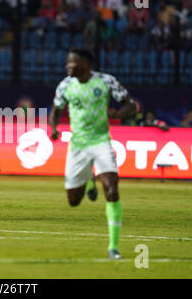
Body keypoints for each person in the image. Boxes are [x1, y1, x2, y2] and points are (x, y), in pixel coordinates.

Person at [49, 47, 137, 260]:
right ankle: (89, 178)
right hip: (78, 146)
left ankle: (113, 247)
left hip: (101, 143)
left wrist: (118, 113)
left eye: (71, 63)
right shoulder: (65, 85)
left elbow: (131, 105)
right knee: (74, 201)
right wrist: (53, 127)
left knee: (112, 190)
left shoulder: (106, 81)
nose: (67, 66)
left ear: (85, 64)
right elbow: (56, 109)